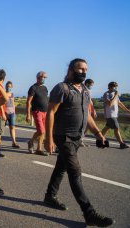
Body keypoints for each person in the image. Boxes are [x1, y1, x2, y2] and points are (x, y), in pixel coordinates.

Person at [44, 58, 114, 227]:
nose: (83, 72)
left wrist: (98, 133)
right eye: (80, 69)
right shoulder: (61, 88)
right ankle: (89, 213)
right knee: (75, 171)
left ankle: (49, 196)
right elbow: (50, 113)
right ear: (71, 69)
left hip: (77, 137)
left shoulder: (84, 89)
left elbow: (87, 115)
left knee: (61, 166)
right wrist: (49, 138)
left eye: (86, 69)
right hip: (64, 136)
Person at [101, 82, 130, 149]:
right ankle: (121, 144)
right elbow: (109, 104)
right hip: (110, 115)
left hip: (114, 114)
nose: (116, 89)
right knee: (116, 128)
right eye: (114, 87)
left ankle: (99, 139)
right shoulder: (106, 94)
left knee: (106, 128)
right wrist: (115, 95)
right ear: (110, 87)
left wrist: (127, 110)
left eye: (116, 87)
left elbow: (119, 103)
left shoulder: (115, 94)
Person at [26, 71, 49, 156]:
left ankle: (39, 149)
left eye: (45, 77)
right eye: (43, 77)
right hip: (37, 111)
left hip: (45, 112)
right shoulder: (33, 88)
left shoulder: (45, 88)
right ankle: (31, 142)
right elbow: (28, 102)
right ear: (38, 77)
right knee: (41, 131)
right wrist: (28, 114)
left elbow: (46, 99)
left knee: (43, 131)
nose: (44, 79)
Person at [5, 81, 20, 148]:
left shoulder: (12, 94)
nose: (9, 88)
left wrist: (14, 111)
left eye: (10, 87)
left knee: (12, 127)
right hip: (5, 112)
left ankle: (14, 142)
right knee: (1, 128)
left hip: (12, 113)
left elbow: (13, 103)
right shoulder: (4, 93)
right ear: (6, 86)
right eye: (8, 86)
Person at [82, 79, 97, 147]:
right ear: (87, 83)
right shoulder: (83, 89)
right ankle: (80, 140)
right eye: (91, 85)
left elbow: (90, 101)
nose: (91, 86)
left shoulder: (86, 90)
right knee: (85, 126)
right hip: (85, 110)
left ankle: (80, 139)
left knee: (86, 126)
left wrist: (93, 110)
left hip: (88, 110)